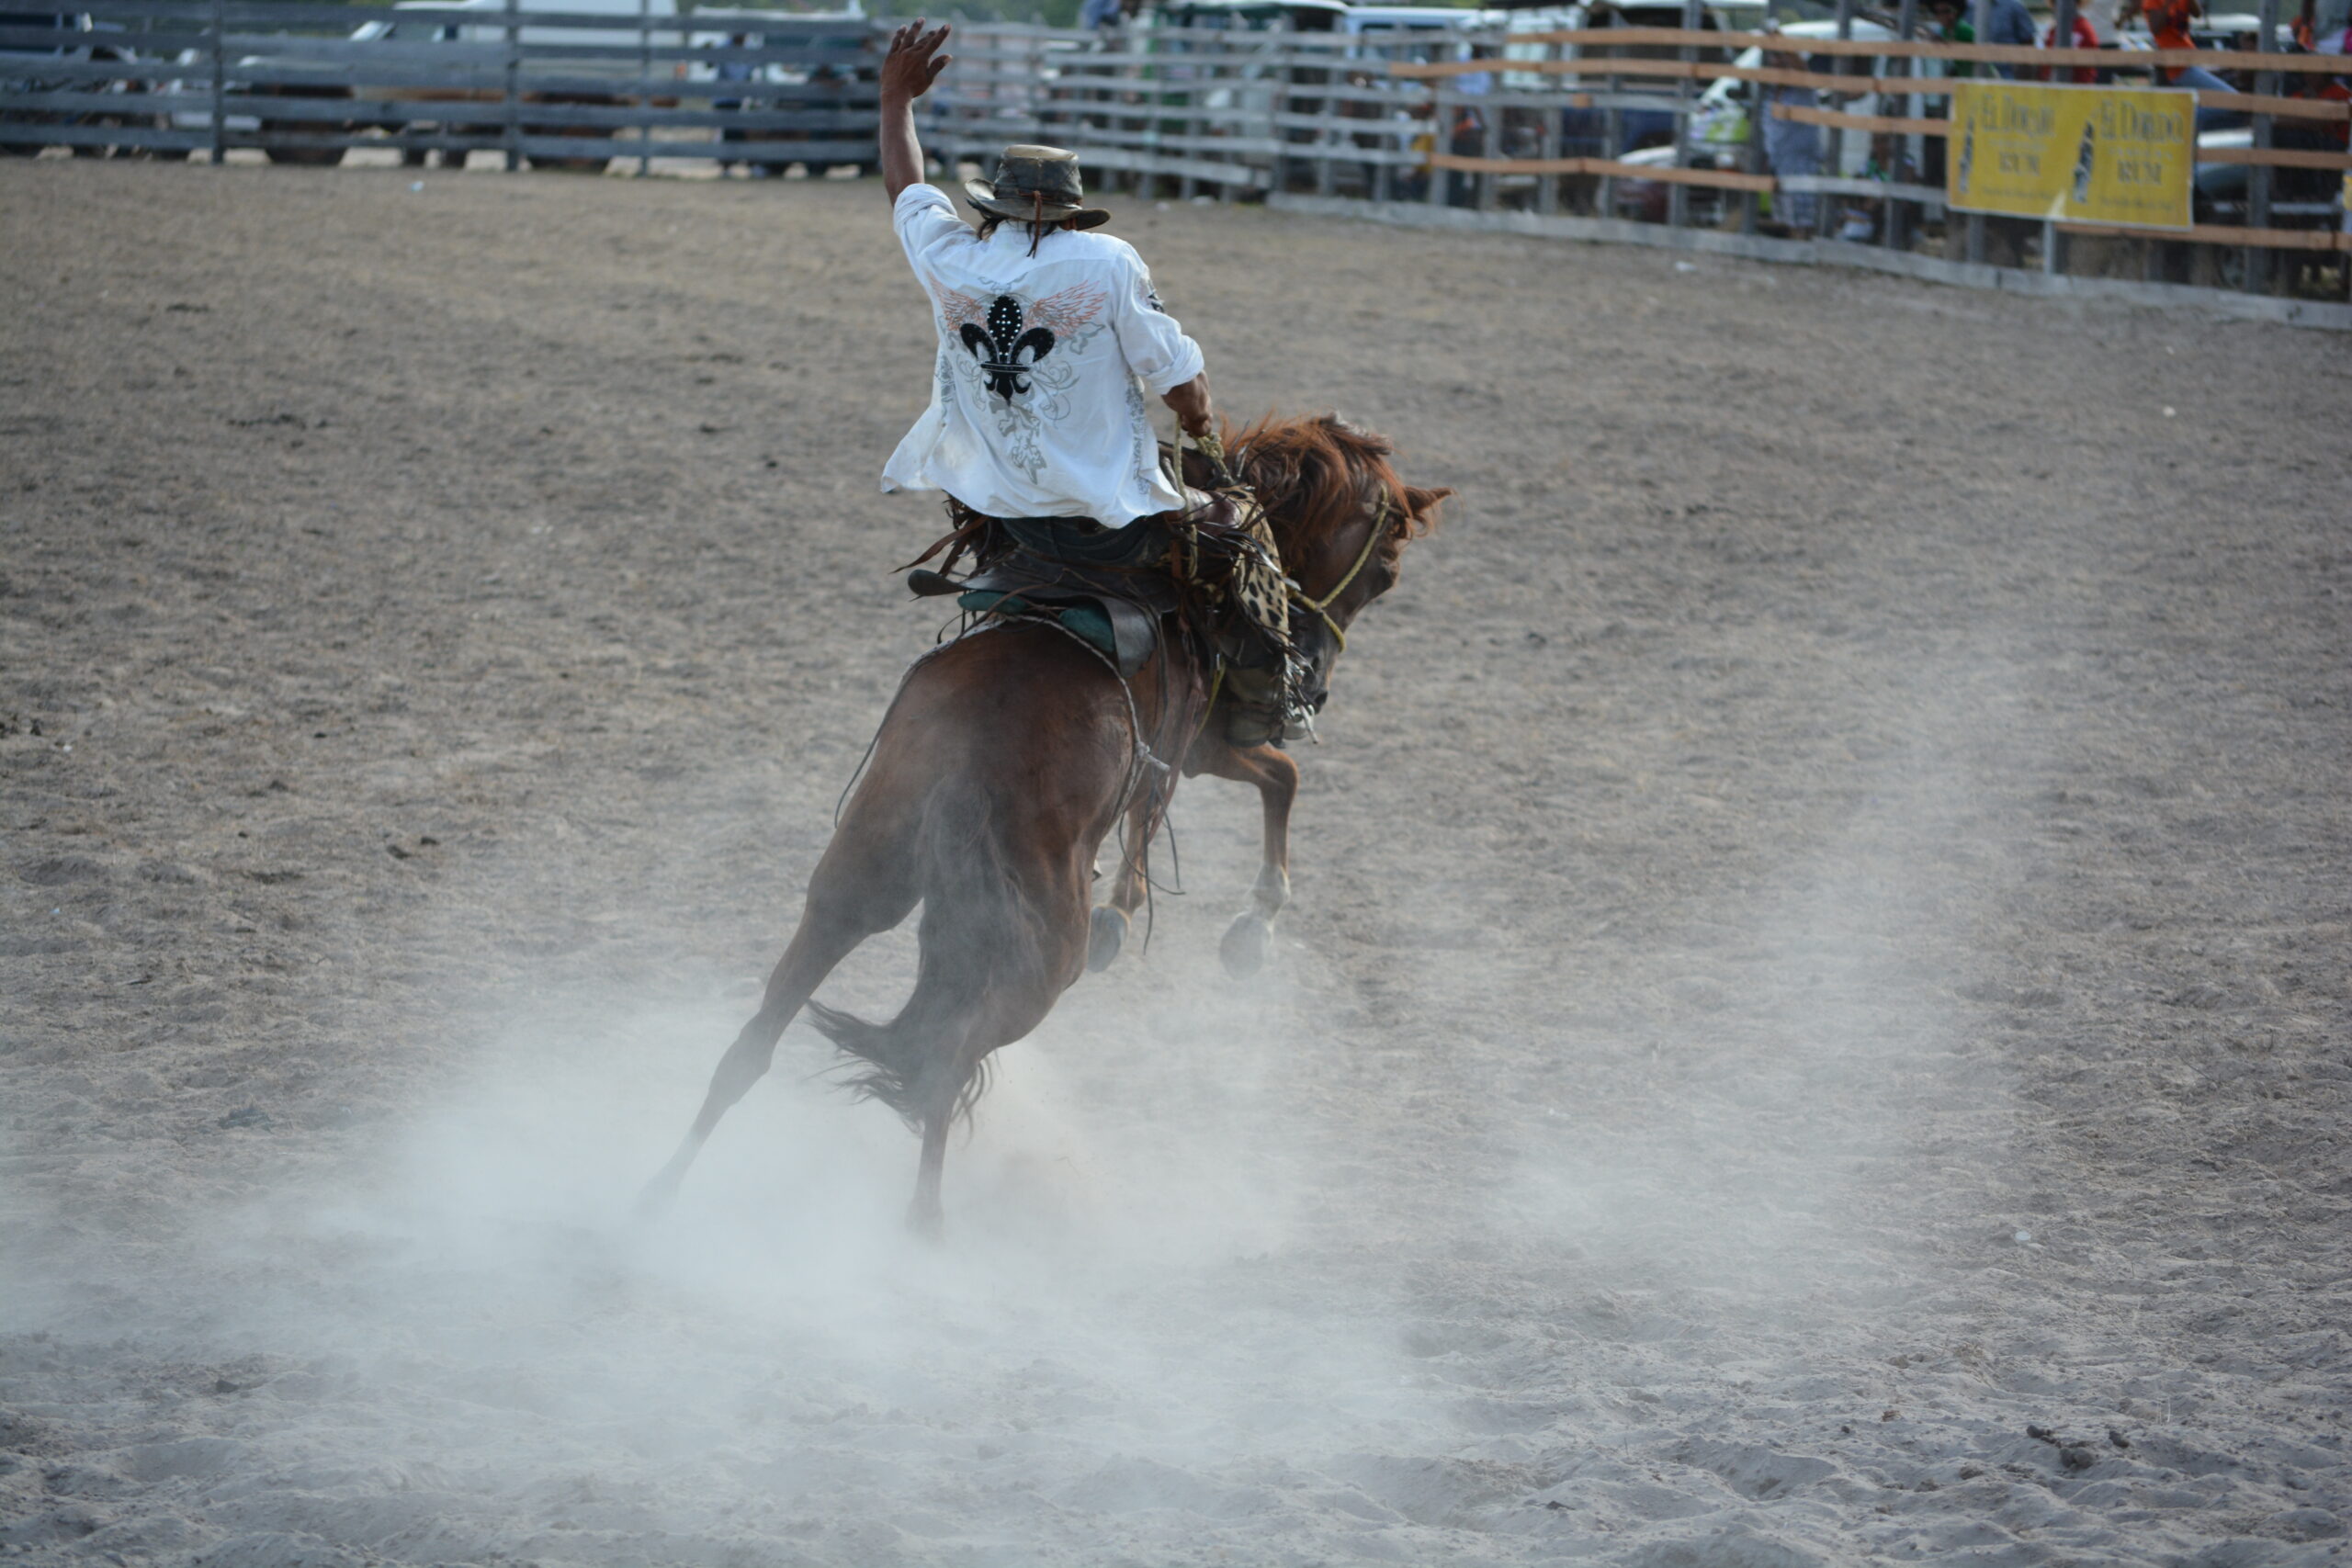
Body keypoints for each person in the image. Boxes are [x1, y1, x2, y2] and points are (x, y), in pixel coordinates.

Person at [871, 22, 1297, 740]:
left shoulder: (948, 257)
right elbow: (1183, 385)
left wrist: (895, 102)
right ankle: (1254, 714)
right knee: (1246, 538)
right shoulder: (1107, 263)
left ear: (995, 203)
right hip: (1105, 527)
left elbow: (905, 186)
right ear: (1067, 208)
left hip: (1000, 515)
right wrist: (1201, 429)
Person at [1759, 27, 1823, 238]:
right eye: (1774, 59)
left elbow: (1802, 68)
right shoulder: (1770, 94)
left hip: (1801, 163)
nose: (1777, 64)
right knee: (1785, 216)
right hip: (1780, 163)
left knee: (1803, 218)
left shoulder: (1803, 91)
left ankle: (1804, 250)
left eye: (1782, 60)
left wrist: (1782, 42)